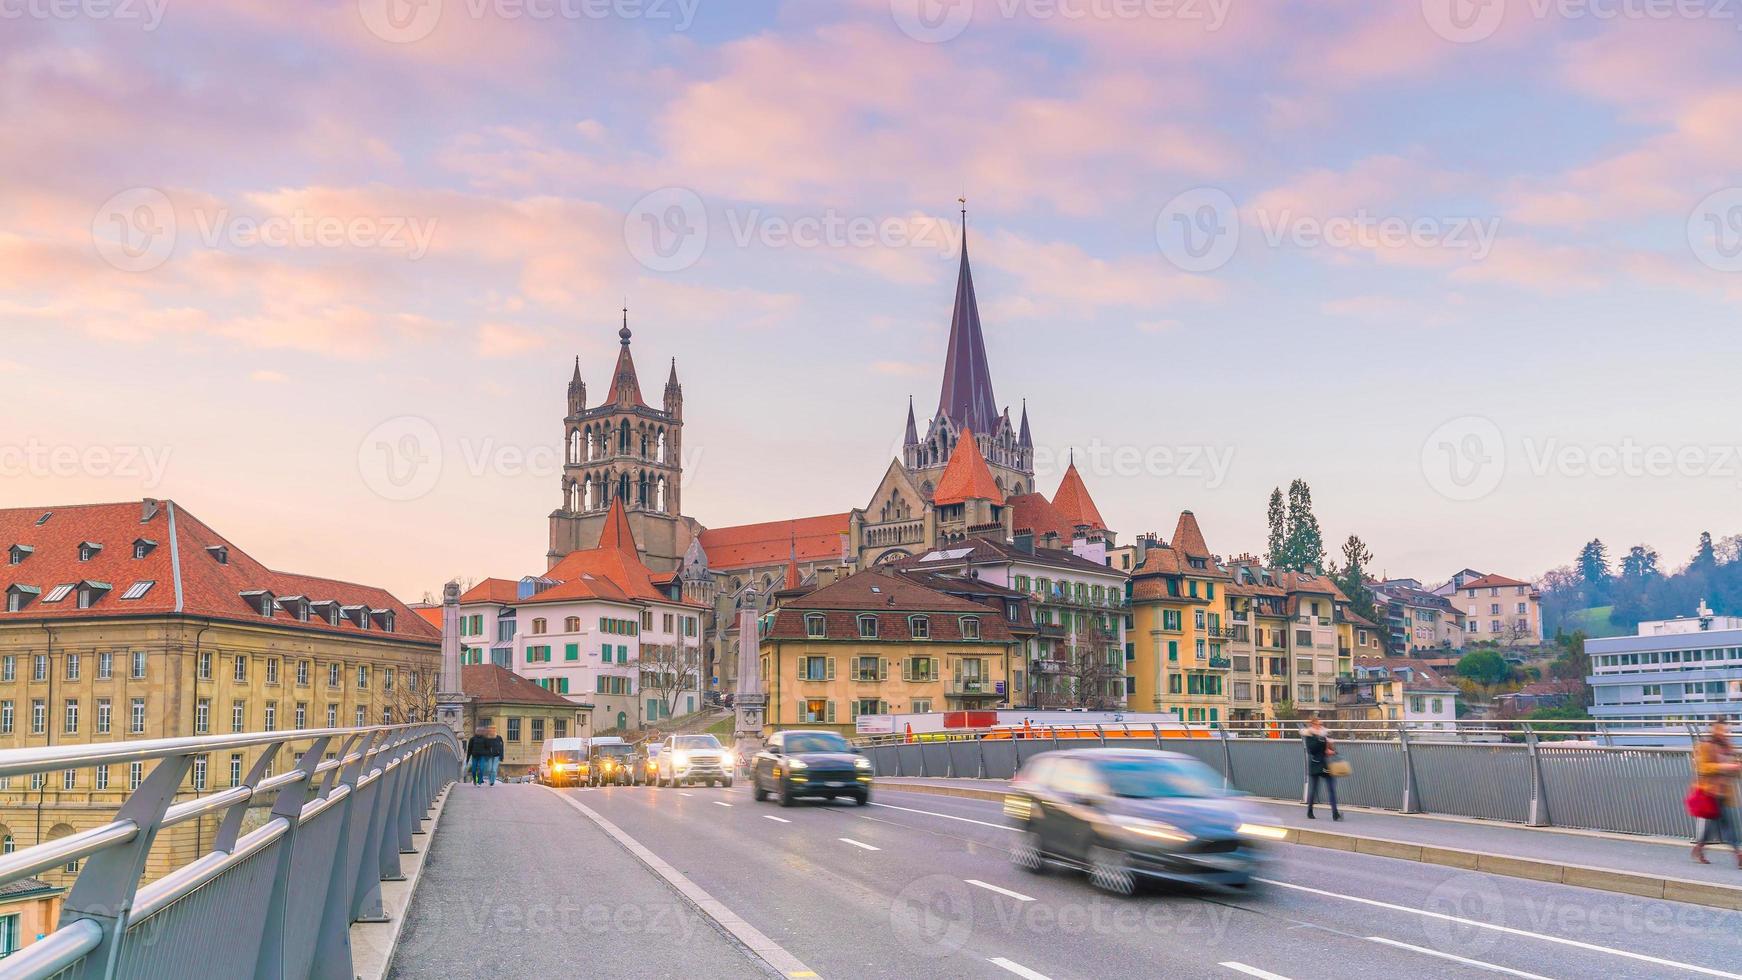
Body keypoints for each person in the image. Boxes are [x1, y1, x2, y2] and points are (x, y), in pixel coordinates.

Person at [1691, 720, 1741, 866]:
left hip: (1724, 792)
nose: (1724, 733)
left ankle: (1699, 847)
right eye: (1721, 730)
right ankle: (1738, 854)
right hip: (1710, 792)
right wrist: (1725, 766)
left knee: (1714, 825)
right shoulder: (1705, 746)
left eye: (1726, 730)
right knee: (1728, 824)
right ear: (1714, 731)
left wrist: (1735, 768)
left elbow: (1735, 769)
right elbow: (1703, 768)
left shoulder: (1728, 748)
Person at [1303, 715, 1342, 821]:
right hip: (1316, 764)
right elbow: (1311, 750)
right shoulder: (1310, 735)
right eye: (1318, 724)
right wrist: (1321, 740)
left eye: (1321, 724)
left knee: (1331, 788)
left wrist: (1332, 750)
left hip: (1325, 765)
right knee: (1314, 789)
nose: (1320, 726)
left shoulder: (1324, 736)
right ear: (1313, 725)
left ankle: (1335, 813)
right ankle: (1310, 811)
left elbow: (1327, 750)